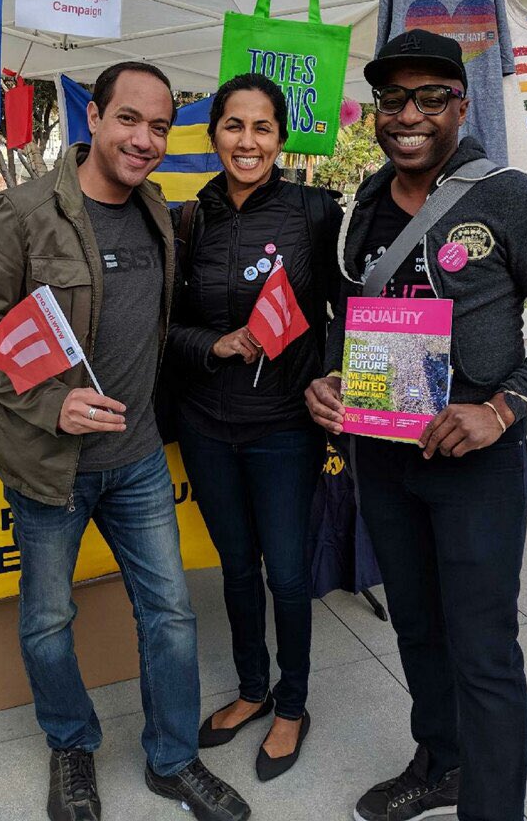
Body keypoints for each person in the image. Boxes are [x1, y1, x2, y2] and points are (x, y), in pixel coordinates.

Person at [305, 29, 527, 821]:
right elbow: (350, 316)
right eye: (393, 99)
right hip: (386, 456)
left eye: (430, 97)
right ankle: (440, 763)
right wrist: (328, 382)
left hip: (477, 463)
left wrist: (503, 407)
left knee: (483, 649)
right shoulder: (363, 205)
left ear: (461, 105)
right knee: (416, 627)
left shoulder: (508, 197)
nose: (409, 114)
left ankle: (494, 806)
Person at [0, 62, 250, 821]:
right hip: (50, 466)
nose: (144, 139)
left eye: (159, 127)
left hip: (140, 459)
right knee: (49, 620)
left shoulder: (158, 211)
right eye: (129, 120)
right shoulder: (23, 214)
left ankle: (173, 761)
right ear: (93, 118)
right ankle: (72, 747)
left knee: (172, 616)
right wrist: (54, 404)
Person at [167, 73, 342, 781]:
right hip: (208, 422)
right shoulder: (187, 219)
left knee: (289, 574)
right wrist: (212, 344)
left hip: (284, 427)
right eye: (234, 126)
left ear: (280, 136)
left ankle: (293, 704)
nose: (248, 141)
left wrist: (329, 379)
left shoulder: (314, 213)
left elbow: (346, 307)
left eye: (262, 127)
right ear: (213, 136)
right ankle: (251, 688)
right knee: (235, 568)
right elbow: (164, 324)